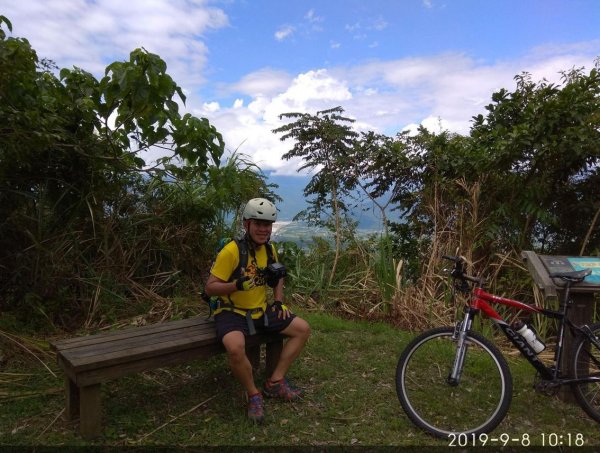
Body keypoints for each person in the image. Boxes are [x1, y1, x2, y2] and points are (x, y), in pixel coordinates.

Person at [204, 198, 311, 423]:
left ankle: (275, 382)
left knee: (302, 329)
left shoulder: (270, 249)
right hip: (231, 311)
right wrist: (235, 285)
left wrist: (279, 301)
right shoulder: (231, 251)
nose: (263, 229)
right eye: (258, 224)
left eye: (267, 224)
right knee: (235, 348)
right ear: (246, 225)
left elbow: (277, 274)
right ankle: (254, 394)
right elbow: (210, 287)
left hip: (260, 310)